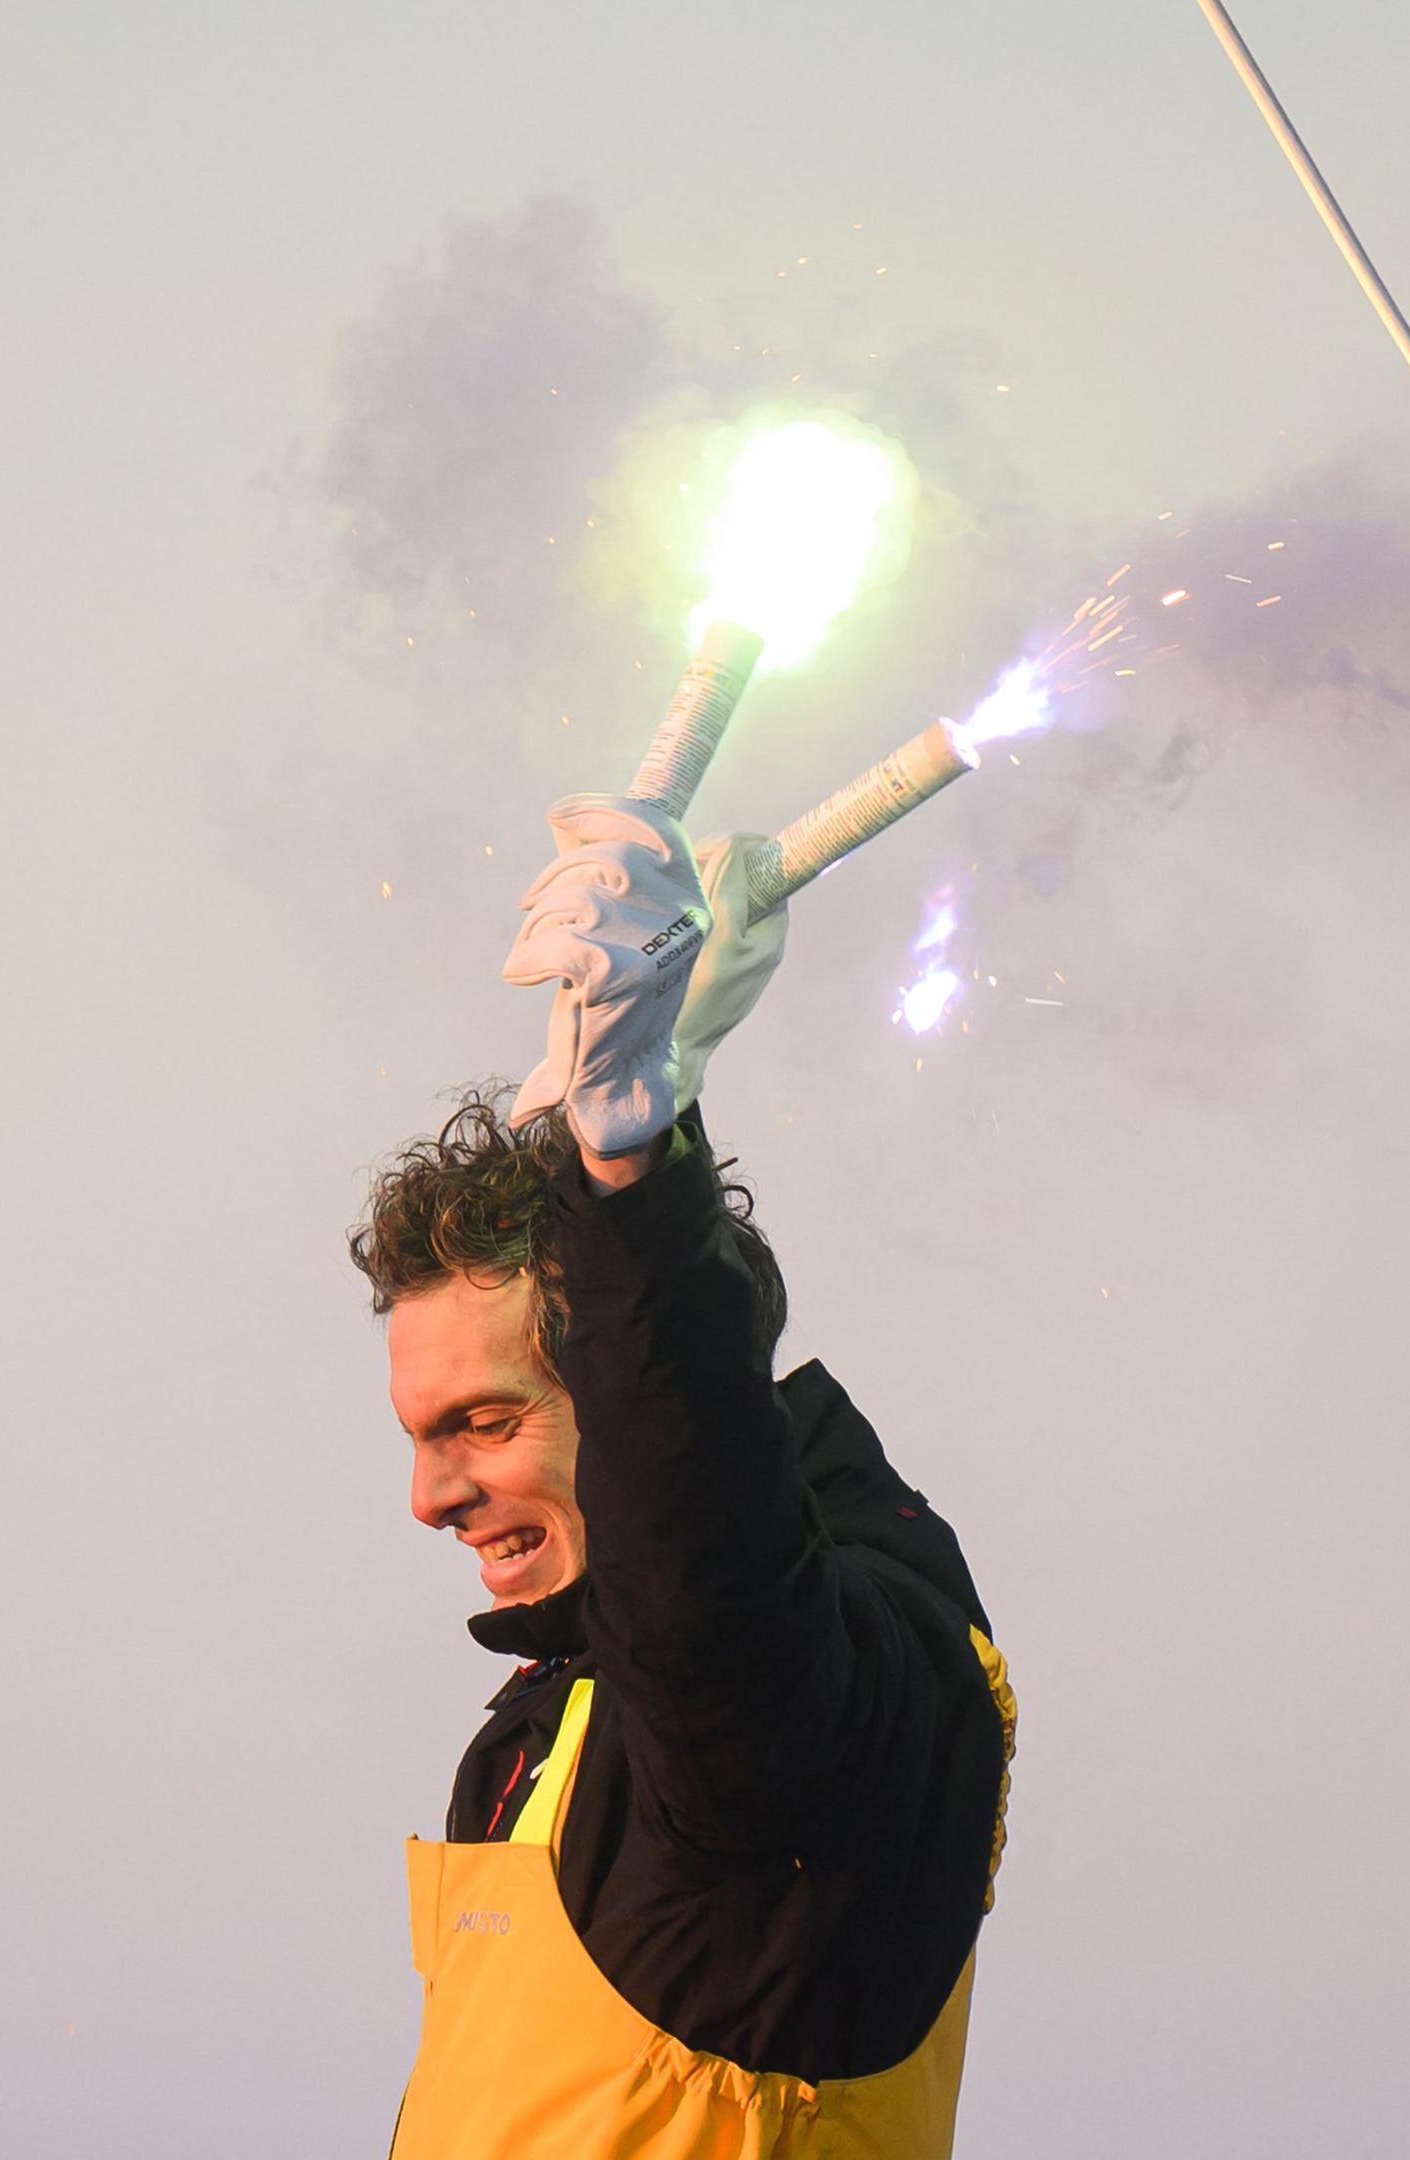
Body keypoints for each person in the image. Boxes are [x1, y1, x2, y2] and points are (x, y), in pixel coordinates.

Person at [351, 794, 1014, 2158]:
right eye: (422, 1438)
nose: (431, 1497)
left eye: (481, 1422)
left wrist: (635, 1177)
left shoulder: (798, 1716)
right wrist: (648, 1091)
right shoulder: (562, 1728)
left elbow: (708, 1591)